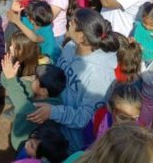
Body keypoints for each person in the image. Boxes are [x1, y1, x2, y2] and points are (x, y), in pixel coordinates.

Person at [27, 8, 119, 153]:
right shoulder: (70, 46)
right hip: (51, 121)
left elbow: (84, 117)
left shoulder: (101, 76)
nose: (68, 22)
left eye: (72, 22)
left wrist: (54, 112)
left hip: (71, 144)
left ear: (82, 36)